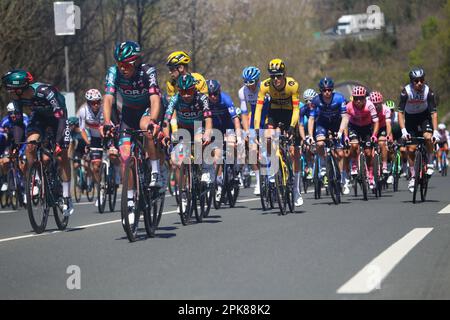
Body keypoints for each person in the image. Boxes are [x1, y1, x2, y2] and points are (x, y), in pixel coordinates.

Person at [1, 69, 73, 216]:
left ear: (20, 89)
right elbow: (19, 124)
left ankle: (66, 195)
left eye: (11, 90)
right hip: (39, 118)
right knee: (30, 146)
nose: (9, 93)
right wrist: (15, 145)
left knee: (61, 155)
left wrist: (59, 142)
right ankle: (37, 179)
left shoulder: (45, 92)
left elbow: (61, 117)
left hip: (58, 119)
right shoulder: (17, 99)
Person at [102, 41, 163, 213]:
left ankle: (155, 171)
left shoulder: (147, 71)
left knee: (146, 128)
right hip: (128, 113)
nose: (122, 68)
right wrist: (107, 121)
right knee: (124, 157)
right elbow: (108, 98)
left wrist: (153, 120)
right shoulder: (113, 72)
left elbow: (155, 99)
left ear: (135, 62)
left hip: (147, 109)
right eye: (119, 63)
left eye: (126, 64)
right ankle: (129, 198)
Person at [253, 58, 303, 207]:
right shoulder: (264, 85)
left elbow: (296, 109)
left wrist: (292, 126)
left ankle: (295, 190)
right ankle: (272, 169)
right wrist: (256, 129)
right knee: (268, 138)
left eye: (279, 76)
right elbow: (259, 109)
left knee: (294, 153)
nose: (276, 79)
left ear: (284, 74)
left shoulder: (292, 85)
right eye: (273, 76)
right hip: (274, 113)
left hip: (289, 116)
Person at [163, 74, 212, 209]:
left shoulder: (202, 98)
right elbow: (166, 120)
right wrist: (166, 136)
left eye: (188, 91)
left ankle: (205, 169)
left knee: (198, 141)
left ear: (194, 89)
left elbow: (208, 118)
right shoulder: (175, 99)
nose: (185, 95)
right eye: (182, 91)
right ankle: (182, 194)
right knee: (178, 162)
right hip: (183, 129)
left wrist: (207, 133)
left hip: (198, 127)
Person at [398, 67, 439, 192]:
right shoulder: (405, 92)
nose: (419, 83)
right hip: (410, 118)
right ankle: (413, 175)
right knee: (411, 148)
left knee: (428, 137)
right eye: (416, 81)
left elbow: (433, 114)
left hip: (424, 117)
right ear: (412, 82)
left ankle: (430, 161)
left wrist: (435, 132)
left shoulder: (429, 92)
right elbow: (400, 113)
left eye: (421, 80)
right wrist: (403, 131)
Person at [307, 78, 349, 194]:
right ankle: (324, 166)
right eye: (324, 90)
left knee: (340, 153)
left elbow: (345, 117)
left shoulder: (339, 98)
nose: (327, 92)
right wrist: (310, 135)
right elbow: (311, 119)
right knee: (320, 143)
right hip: (322, 124)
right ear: (321, 91)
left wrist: (341, 132)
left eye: (329, 90)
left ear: (332, 90)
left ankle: (343, 179)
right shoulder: (315, 100)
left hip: (336, 124)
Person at [207, 79, 242, 201]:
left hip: (228, 127)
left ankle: (236, 171)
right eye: (210, 94)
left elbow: (236, 119)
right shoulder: (205, 102)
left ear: (219, 91)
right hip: (214, 129)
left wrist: (239, 136)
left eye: (215, 94)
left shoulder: (225, 99)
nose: (213, 97)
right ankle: (220, 180)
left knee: (232, 145)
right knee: (217, 155)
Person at [238, 66, 269, 195]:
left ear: (257, 81)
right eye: (247, 83)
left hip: (268, 117)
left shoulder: (265, 88)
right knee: (252, 151)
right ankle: (258, 181)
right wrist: (246, 131)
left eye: (252, 83)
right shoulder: (243, 91)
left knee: (269, 146)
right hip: (254, 120)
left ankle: (273, 174)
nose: (249, 86)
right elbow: (244, 114)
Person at [346, 86, 379, 190]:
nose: (358, 101)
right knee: (354, 145)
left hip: (366, 128)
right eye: (356, 98)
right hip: (354, 127)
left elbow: (376, 122)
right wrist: (346, 136)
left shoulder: (370, 106)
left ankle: (370, 174)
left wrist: (374, 135)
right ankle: (354, 165)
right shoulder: (349, 106)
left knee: (369, 153)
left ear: (365, 98)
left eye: (361, 98)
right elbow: (345, 123)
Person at [369, 91, 392, 176]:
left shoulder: (386, 109)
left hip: (382, 128)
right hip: (371, 128)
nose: (376, 106)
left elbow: (388, 124)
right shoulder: (368, 108)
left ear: (381, 103)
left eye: (378, 104)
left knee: (382, 143)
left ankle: (385, 165)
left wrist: (388, 136)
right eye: (374, 104)